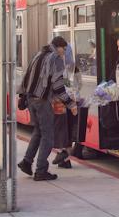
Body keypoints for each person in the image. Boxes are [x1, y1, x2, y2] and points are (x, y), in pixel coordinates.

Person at [17, 36, 78, 180]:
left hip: (31, 99)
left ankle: (26, 162)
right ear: (59, 47)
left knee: (38, 132)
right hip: (42, 101)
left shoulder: (38, 55)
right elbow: (57, 86)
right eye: (64, 50)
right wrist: (70, 104)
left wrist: (22, 96)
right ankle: (41, 170)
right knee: (48, 136)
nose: (63, 54)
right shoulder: (55, 58)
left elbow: (26, 76)